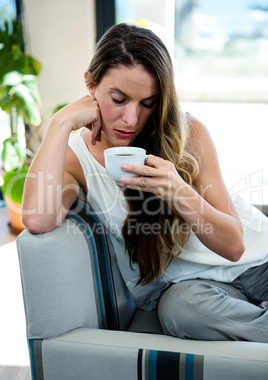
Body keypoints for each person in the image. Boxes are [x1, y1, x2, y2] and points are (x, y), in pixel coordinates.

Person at [22, 23, 268, 342]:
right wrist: (60, 122)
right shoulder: (76, 159)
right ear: (91, 84)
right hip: (194, 291)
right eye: (119, 99)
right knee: (180, 313)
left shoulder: (189, 134)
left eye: (147, 103)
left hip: (258, 261)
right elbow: (37, 219)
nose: (132, 120)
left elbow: (235, 246)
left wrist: (177, 190)